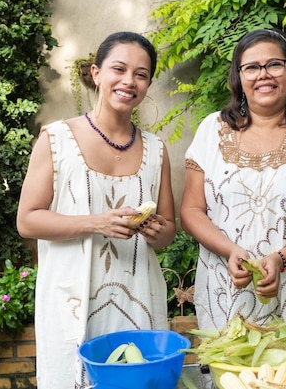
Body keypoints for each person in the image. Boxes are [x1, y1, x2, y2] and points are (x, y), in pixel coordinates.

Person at [16, 31, 175, 389]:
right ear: (97, 72)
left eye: (141, 74)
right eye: (118, 68)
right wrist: (97, 222)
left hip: (139, 295)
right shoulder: (56, 138)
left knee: (138, 380)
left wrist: (155, 229)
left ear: (148, 83)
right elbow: (27, 220)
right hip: (72, 298)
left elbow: (168, 233)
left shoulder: (156, 150)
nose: (129, 81)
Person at [180, 28, 286, 340]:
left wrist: (281, 260)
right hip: (224, 292)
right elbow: (191, 210)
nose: (263, 75)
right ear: (239, 76)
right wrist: (230, 250)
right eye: (252, 67)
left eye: (275, 64)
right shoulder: (210, 131)